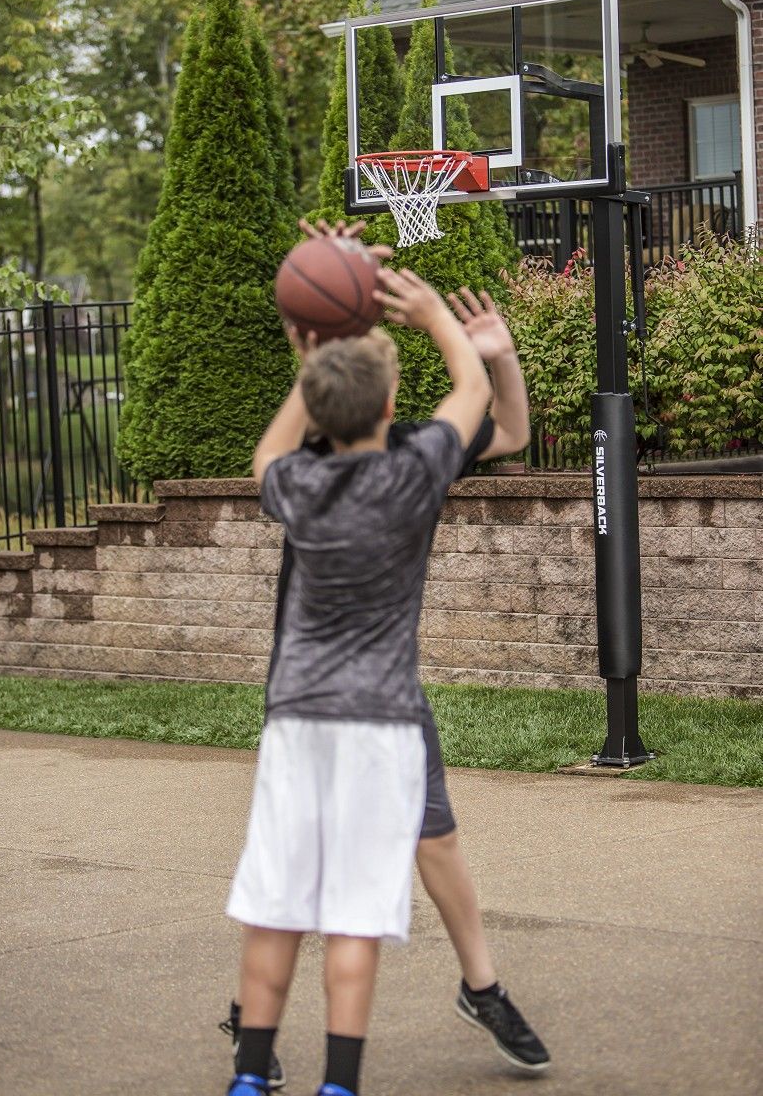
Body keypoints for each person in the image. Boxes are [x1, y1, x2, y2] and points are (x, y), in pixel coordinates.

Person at [221, 222, 550, 1089]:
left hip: (327, 701)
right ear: (385, 391)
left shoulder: (323, 461)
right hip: (365, 703)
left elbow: (509, 430)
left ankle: (479, 986)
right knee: (333, 882)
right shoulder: (404, 462)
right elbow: (471, 405)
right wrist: (451, 338)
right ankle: (276, 1035)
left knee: (425, 837)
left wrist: (499, 355)